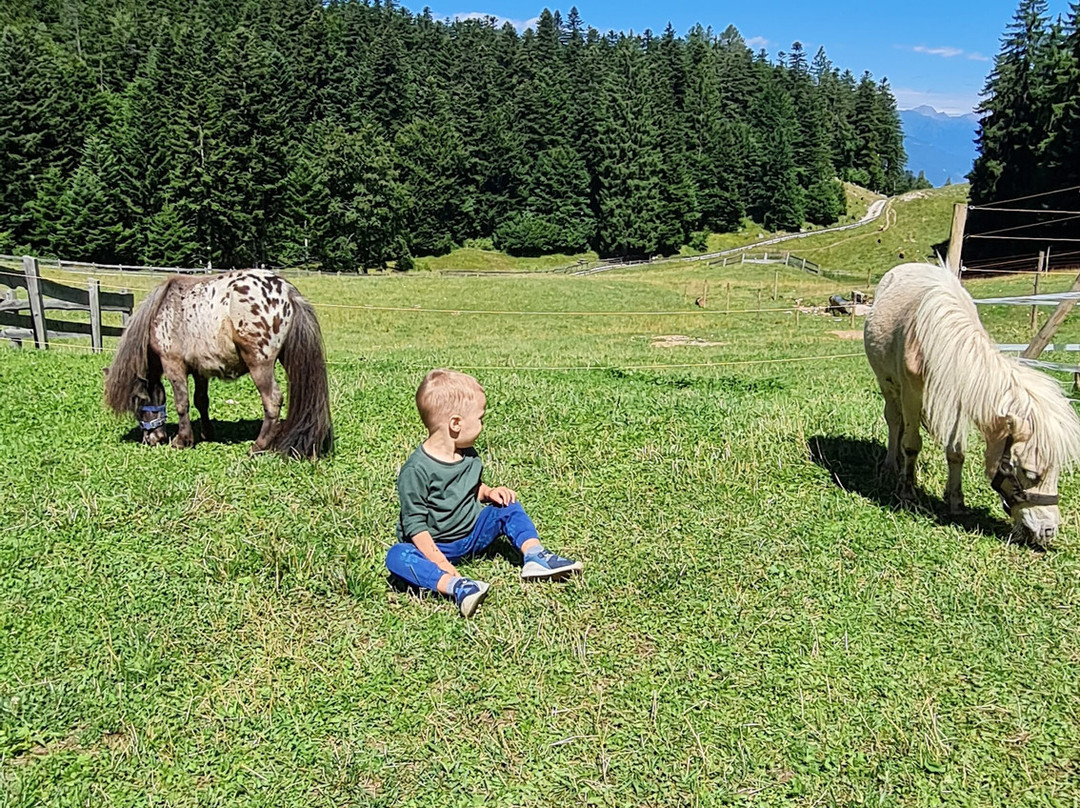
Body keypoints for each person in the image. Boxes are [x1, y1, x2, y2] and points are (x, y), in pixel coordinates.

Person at [386, 369, 582, 617]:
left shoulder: (467, 454)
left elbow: (468, 489)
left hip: (472, 533)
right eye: (480, 418)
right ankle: (456, 586)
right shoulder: (416, 470)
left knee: (508, 506)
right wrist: (440, 562)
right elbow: (415, 525)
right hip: (436, 545)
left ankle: (535, 556)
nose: (483, 424)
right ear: (455, 424)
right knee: (397, 556)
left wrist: (489, 492)